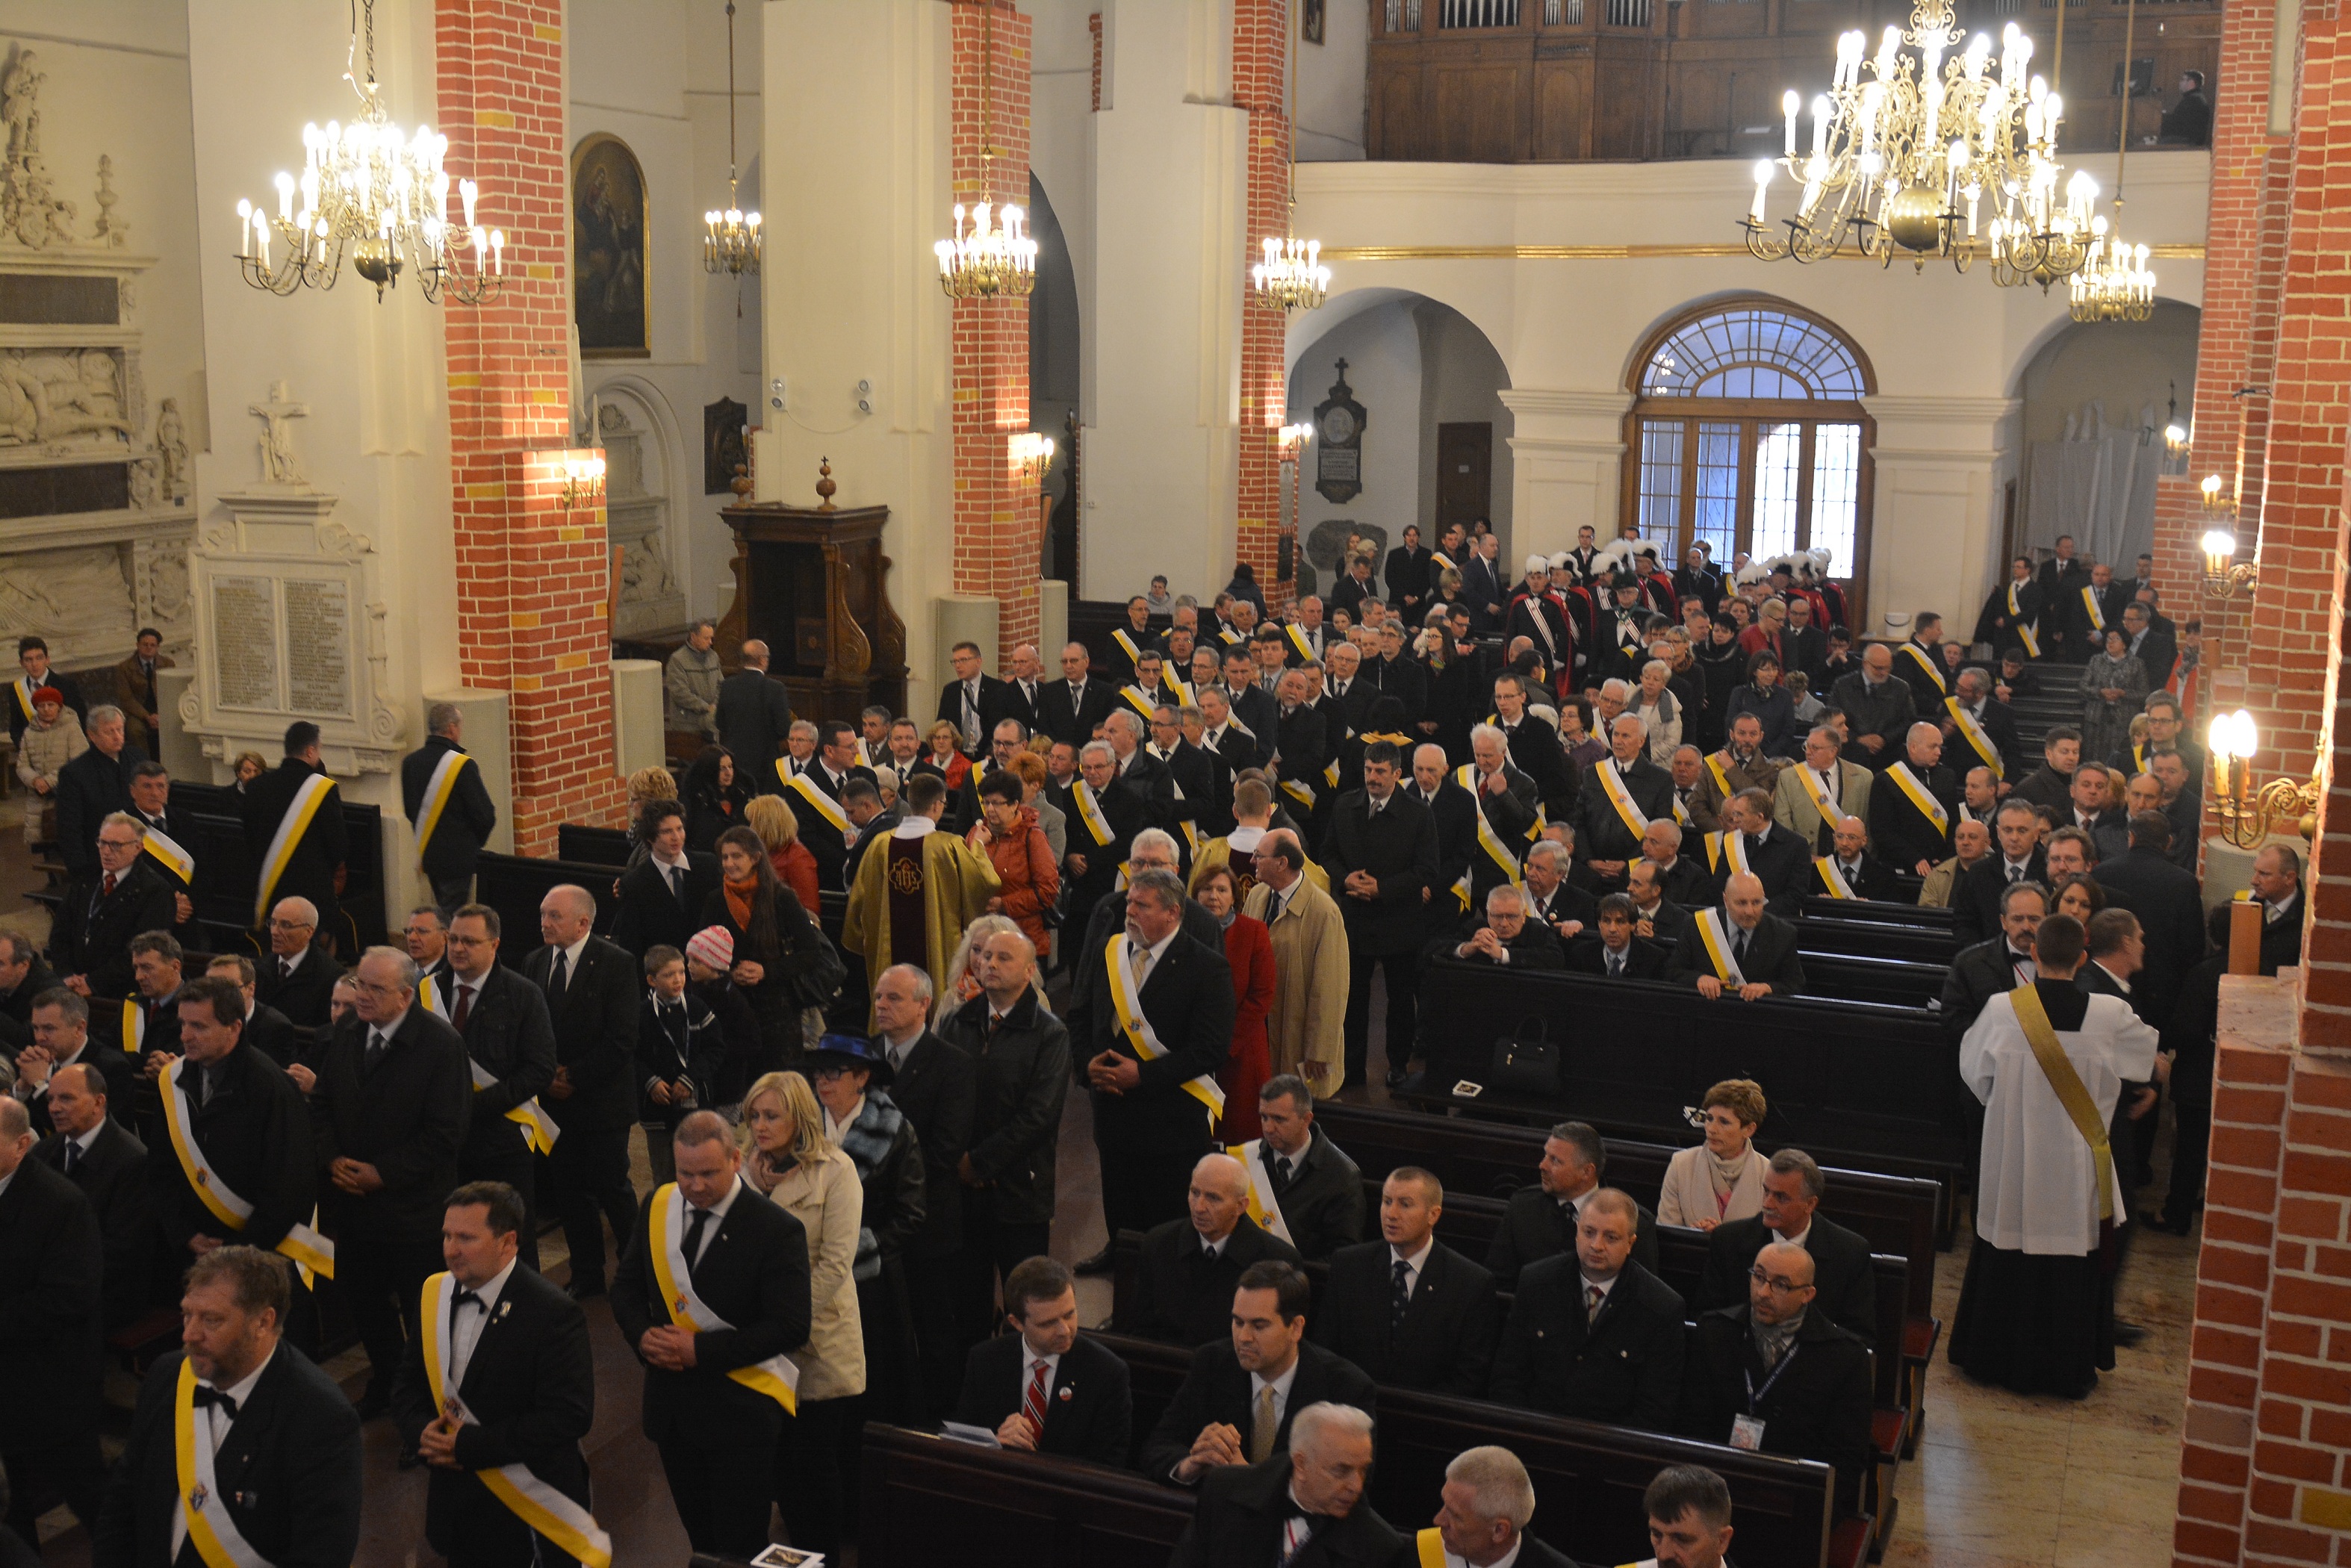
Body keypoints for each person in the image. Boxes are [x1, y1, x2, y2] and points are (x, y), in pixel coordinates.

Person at [1950, 912, 2158, 1397]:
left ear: (2035, 954)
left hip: (2015, 1164)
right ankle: (2064, 1370)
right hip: (2074, 1171)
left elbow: (1975, 1075)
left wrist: (2013, 1108)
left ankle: (1993, 1360)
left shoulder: (2003, 1009)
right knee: (2070, 1261)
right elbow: (2144, 1059)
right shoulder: (2110, 1014)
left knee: (2009, 1251)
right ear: (2083, 958)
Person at [612, 1110, 812, 1561]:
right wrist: (642, 1337)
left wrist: (699, 1350)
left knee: (741, 1548)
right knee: (701, 1543)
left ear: (736, 1160)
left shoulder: (775, 1229)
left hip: (740, 1415)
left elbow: (791, 1325)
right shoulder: (658, 1206)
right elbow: (626, 1288)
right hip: (673, 1412)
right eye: (685, 1174)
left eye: (708, 1173)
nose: (696, 1186)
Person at [94, 1245, 363, 1568]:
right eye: (187, 1314)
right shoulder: (168, 1376)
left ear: (263, 1322)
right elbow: (122, 1503)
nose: (189, 1334)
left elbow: (321, 1556)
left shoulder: (320, 1416)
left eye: (211, 1320)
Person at [390, 1181, 598, 1568]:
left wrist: (467, 1445)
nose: (451, 1249)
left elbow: (569, 1416)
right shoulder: (434, 1294)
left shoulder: (553, 1313)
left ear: (508, 1242)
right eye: (447, 1236)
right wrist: (421, 1432)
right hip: (459, 1509)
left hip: (529, 1511)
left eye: (466, 1238)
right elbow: (407, 1383)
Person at [310, 946, 470, 1417]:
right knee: (367, 1308)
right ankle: (387, 1382)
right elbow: (322, 1104)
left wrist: (383, 1174)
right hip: (354, 1208)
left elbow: (446, 1134)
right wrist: (332, 1158)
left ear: (405, 996)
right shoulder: (347, 1032)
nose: (362, 996)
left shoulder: (440, 1046)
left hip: (414, 1211)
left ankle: (425, 1402)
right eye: (360, 984)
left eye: (375, 989)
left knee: (424, 1315)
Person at [740, 1071, 866, 1559]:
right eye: (754, 1115)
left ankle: (824, 1556)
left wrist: (784, 1318)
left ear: (800, 1118)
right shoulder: (743, 1173)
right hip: (760, 1342)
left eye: (772, 1115)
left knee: (814, 1465)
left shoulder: (836, 1171)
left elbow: (836, 1262)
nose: (760, 1126)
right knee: (779, 1466)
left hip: (819, 1337)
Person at [933, 927, 1068, 1340]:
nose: (989, 964)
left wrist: (979, 1163)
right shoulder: (958, 1021)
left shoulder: (1049, 1034)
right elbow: (940, 1098)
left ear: (1029, 971)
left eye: (1003, 958)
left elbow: (1039, 1117)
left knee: (1025, 1306)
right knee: (964, 1305)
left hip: (1019, 1191)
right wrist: (957, 1160)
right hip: (963, 1193)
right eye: (986, 956)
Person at [1677, 1240, 1875, 1511]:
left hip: (1796, 1500)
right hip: (1713, 1491)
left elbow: (1847, 1459)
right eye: (1759, 1277)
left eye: (1781, 1285)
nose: (1763, 1293)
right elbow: (1691, 1424)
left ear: (1807, 1294)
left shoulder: (1845, 1356)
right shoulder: (1715, 1332)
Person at [1140, 1262, 1378, 1484]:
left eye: (1259, 1326)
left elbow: (1346, 1486)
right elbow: (1158, 1447)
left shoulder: (1346, 1389)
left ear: (1296, 1328)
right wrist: (1191, 1464)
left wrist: (1249, 1479)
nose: (1244, 1337)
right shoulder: (1212, 1363)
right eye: (1238, 1322)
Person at [865, 963, 975, 1417]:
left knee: (933, 1330)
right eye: (878, 997)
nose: (882, 1006)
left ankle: (937, 1420)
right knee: (880, 1329)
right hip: (870, 1223)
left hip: (928, 1221)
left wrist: (877, 1179)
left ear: (924, 1004)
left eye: (894, 998)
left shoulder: (952, 1064)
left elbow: (945, 1150)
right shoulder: (864, 1059)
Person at [524, 885, 642, 1301]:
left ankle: (639, 1273)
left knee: (613, 1189)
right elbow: (530, 1028)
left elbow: (622, 1039)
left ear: (583, 923)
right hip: (554, 1105)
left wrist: (572, 1076)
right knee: (570, 1194)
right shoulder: (535, 962)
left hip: (602, 1102)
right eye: (543, 914)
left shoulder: (616, 963)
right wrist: (546, 1076)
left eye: (554, 916)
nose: (544, 922)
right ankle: (587, 1275)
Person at [1488, 1186, 1684, 1430]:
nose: (1597, 1245)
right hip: (1533, 1431)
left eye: (1611, 1237)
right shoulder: (1537, 1282)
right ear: (1577, 1230)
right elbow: (1508, 1376)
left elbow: (1655, 1409)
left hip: (1615, 1444)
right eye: (1589, 1232)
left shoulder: (1661, 1307)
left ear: (1630, 1243)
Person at [0, 1093, 104, 1544]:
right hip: (7, 1376)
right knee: (10, 1505)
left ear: (21, 1145)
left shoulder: (60, 1203)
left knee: (87, 1493)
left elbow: (68, 1297)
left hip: (50, 1381)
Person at [437, 905, 557, 1269]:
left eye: (470, 942)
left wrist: (476, 1107)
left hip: (501, 1140)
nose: (459, 948)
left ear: (494, 945)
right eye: (453, 940)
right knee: (453, 1237)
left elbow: (540, 1069)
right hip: (442, 1141)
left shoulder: (523, 995)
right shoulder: (429, 990)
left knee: (511, 1238)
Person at [1313, 1166, 1498, 1395]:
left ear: (1433, 1215)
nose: (1391, 1214)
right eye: (1387, 1201)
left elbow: (1470, 1376)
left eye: (1405, 1204)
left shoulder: (1470, 1283)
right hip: (1351, 1405)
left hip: (1430, 1411)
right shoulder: (1349, 1265)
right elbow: (1325, 1350)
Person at [1322, 740, 1438, 1089]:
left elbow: (1427, 870)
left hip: (1399, 922)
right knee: (1353, 999)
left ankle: (1398, 1065)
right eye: (1369, 770)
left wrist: (1382, 889)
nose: (1372, 778)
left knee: (1400, 1001)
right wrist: (1345, 879)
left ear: (1397, 773)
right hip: (1354, 920)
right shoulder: (1345, 805)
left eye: (1381, 772)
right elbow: (1327, 854)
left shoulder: (1418, 814)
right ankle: (1352, 1067)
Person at [1168, 1399, 1401, 1568]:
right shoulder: (1224, 1491)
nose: (1356, 1486)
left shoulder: (1379, 1549)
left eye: (1363, 1470)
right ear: (1301, 1464)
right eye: (1341, 1471)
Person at [843, 774, 1000, 1017]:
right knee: (933, 1006)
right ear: (937, 805)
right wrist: (978, 846)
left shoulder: (880, 845)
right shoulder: (949, 846)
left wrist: (860, 938)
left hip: (890, 951)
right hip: (936, 949)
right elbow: (986, 882)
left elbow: (859, 901)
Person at [952, 1255, 1131, 1464]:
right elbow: (962, 1440)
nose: (1064, 1331)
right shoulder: (985, 1360)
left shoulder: (1107, 1373)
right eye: (1048, 1324)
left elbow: (1109, 1464)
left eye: (1069, 1315)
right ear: (1017, 1323)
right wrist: (996, 1445)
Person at [1695, 1149, 1877, 1343]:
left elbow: (1858, 1336)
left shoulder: (1849, 1252)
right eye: (1766, 1191)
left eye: (1781, 1197)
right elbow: (1707, 1319)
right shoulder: (1729, 1241)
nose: (1768, 1204)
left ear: (1810, 1204)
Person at [1125, 1151, 1305, 1345]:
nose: (1199, 1207)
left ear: (1241, 1206)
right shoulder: (1158, 1243)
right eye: (1195, 1193)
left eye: (1213, 1198)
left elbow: (1282, 1344)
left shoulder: (1277, 1260)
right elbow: (1140, 1327)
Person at [702, 824, 837, 1071]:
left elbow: (810, 953)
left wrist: (766, 971)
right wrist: (730, 972)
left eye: (736, 856)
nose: (729, 863)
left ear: (755, 858)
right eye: (725, 857)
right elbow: (704, 951)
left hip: (778, 1010)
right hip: (733, 1006)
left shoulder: (782, 897)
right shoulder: (715, 900)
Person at [31, 1062, 149, 1329]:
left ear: (98, 1102)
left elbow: (122, 1251)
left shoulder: (133, 1161)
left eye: (66, 1099)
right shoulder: (44, 1152)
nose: (54, 1108)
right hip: (52, 1279)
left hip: (104, 1293)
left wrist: (53, 1273)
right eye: (50, 1099)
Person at [1243, 827, 1352, 1093]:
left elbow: (1330, 990)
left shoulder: (1324, 913)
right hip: (1259, 1030)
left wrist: (1319, 1051)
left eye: (1259, 855)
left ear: (1282, 863)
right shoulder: (1257, 896)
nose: (1252, 860)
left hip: (1298, 1039)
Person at [1485, 1121, 1661, 1287]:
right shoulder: (1523, 1206)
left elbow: (1644, 1293)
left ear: (1587, 1172)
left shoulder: (1635, 1222)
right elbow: (1499, 1281)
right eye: (1546, 1155)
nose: (1543, 1166)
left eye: (1555, 1160)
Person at [2148, 904, 2233, 1236]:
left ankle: (2176, 1214)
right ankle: (2216, 1204)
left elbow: (2186, 1028)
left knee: (2189, 1150)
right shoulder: (2261, 969)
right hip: (2235, 1077)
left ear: (2212, 935)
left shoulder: (2204, 973)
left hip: (2198, 1076)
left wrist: (2161, 1043)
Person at [1228, 1074, 1364, 1264]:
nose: (1268, 1128)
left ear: (1306, 1119)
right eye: (1264, 1117)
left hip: (1303, 1278)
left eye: (1279, 1119)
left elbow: (1342, 1256)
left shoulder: (1341, 1175)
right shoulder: (1245, 1157)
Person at [46, 813, 176, 1001]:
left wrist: (94, 983)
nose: (106, 851)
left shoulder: (155, 891)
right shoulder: (86, 878)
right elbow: (60, 933)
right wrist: (66, 975)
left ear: (138, 848)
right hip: (72, 987)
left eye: (116, 845)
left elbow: (141, 952)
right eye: (102, 843)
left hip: (121, 994)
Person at [240, 722, 348, 949]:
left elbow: (249, 838)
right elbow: (338, 846)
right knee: (317, 951)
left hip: (271, 887)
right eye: (319, 749)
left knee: (278, 948)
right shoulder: (323, 789)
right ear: (310, 751)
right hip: (312, 891)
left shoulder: (257, 786)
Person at [1193, 863, 1275, 1139]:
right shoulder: (1181, 932)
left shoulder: (1254, 931)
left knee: (1240, 1131)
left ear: (1234, 897)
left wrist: (1223, 1044)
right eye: (1206, 889)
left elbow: (1262, 995)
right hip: (1192, 1050)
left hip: (1241, 1050)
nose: (1213, 896)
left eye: (1222, 890)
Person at [636, 944, 725, 1184]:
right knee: (664, 1175)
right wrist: (650, 1081)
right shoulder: (641, 1014)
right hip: (657, 1110)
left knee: (698, 1170)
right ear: (651, 980)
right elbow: (631, 1056)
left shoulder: (697, 1009)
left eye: (681, 972)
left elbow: (715, 1049)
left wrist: (690, 1078)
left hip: (695, 1105)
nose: (678, 980)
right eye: (669, 975)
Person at [400, 703, 498, 910]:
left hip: (430, 856)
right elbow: (485, 815)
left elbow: (410, 811)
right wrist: (473, 844)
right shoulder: (462, 765)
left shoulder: (410, 763)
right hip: (458, 860)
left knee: (443, 911)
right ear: (452, 728)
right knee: (454, 916)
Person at [612, 797, 724, 960]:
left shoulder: (708, 866)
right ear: (650, 838)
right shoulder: (635, 884)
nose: (676, 837)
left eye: (679, 829)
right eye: (667, 832)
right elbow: (632, 946)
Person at [966, 769, 1060, 960]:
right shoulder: (976, 833)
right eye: (986, 802)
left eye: (997, 803)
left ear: (1015, 805)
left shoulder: (1032, 836)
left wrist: (1004, 904)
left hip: (1023, 939)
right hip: (983, 939)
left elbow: (1047, 891)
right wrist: (977, 846)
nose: (990, 809)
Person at [1667, 871, 1805, 998]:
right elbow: (1673, 970)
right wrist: (1699, 979)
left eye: (1756, 902)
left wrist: (1768, 988)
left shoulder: (1783, 934)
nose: (1750, 911)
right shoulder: (1697, 925)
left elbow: (1796, 984)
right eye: (1742, 903)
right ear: (1726, 900)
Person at [1657, 1078, 1770, 1231]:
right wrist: (1693, 1233)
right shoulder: (1681, 1164)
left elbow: (1772, 1237)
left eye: (1724, 1122)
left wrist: (1722, 1237)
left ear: (1749, 1129)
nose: (1711, 1129)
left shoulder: (1768, 1173)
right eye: (1709, 1118)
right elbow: (1666, 1231)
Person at [1942, 881, 2048, 1043]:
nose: (2026, 927)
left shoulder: (2061, 961)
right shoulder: (1969, 963)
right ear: (2003, 921)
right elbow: (1954, 1019)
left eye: (2034, 919)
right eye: (2018, 919)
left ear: (2047, 920)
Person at [53, 703, 147, 877]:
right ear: (92, 735)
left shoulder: (138, 758)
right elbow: (70, 827)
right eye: (109, 732)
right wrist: (80, 870)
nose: (117, 737)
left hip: (142, 852)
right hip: (99, 858)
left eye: (120, 730)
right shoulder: (75, 773)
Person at [1952, 799, 2050, 945]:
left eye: (2022, 831)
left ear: (2036, 835)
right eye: (2008, 830)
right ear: (1998, 833)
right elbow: (1964, 923)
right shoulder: (1979, 872)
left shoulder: (2050, 871)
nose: (2014, 838)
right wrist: (1983, 954)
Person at [1871, 722, 1958, 875]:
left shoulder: (1948, 777)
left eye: (1940, 747)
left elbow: (1954, 824)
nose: (1938, 752)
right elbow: (1882, 832)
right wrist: (1915, 858)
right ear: (1913, 747)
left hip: (1940, 867)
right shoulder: (1886, 780)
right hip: (1900, 867)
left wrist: (1945, 858)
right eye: (1933, 747)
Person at [1771, 725, 1873, 856]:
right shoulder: (1788, 777)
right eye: (1806, 746)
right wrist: (1802, 855)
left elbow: (1868, 822)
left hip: (1847, 856)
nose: (1808, 752)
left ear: (1833, 751)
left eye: (1815, 748)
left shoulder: (1863, 777)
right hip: (1806, 855)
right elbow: (1782, 822)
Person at [12, 683, 84, 850]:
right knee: (45, 845)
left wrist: (49, 781)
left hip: (66, 794)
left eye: (50, 705)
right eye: (41, 706)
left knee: (69, 845)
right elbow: (22, 765)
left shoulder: (72, 728)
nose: (46, 709)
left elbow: (79, 762)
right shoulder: (29, 733)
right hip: (38, 797)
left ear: (59, 706)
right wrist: (35, 780)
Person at [715, 639, 795, 777]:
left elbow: (720, 723)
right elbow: (783, 729)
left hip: (735, 758)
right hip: (766, 762)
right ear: (762, 660)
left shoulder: (727, 685)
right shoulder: (775, 688)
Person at [2078, 629, 2149, 764]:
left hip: (2123, 720)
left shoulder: (2136, 664)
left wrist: (2123, 693)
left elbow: (2143, 693)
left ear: (2125, 644)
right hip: (2097, 719)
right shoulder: (2096, 660)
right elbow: (2083, 687)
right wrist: (2100, 692)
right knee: (2094, 758)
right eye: (2108, 639)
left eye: (2116, 639)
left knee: (2118, 758)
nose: (2110, 643)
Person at [2248, 842, 2306, 974]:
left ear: (2289, 878)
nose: (2254, 881)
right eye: (2255, 871)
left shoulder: (2306, 922)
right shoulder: (2245, 907)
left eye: (2264, 874)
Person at [1814, 814, 1898, 901]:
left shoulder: (1883, 875)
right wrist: (1821, 903)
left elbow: (1891, 908)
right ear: (1834, 838)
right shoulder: (1818, 872)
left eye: (1852, 837)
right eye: (1840, 837)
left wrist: (1869, 907)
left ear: (1864, 841)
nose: (1844, 843)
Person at [665, 617, 724, 738]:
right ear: (693, 637)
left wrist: (715, 705)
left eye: (711, 638)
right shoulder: (678, 659)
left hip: (710, 721)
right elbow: (679, 693)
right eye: (706, 638)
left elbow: (721, 685)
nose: (710, 642)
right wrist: (706, 707)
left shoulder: (713, 657)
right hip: (687, 724)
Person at [2156, 66, 2212, 144]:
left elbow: (2177, 124)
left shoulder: (2193, 100)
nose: (2180, 83)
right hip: (2189, 140)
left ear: (2191, 82)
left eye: (2182, 80)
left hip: (2186, 142)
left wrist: (2159, 122)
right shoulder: (2196, 98)